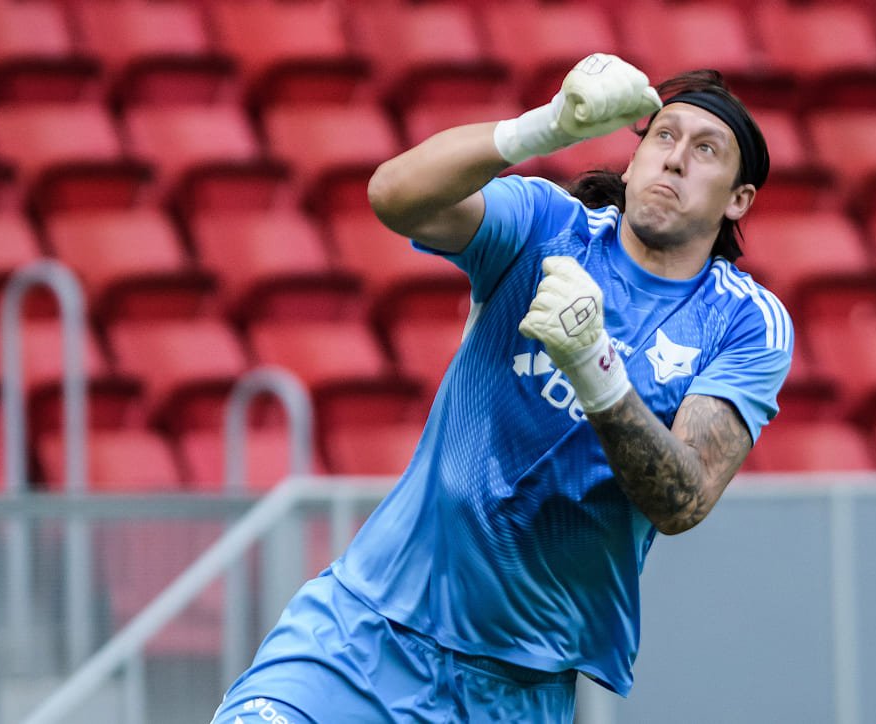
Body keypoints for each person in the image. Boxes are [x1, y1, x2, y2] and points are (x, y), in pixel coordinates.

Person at [211, 53, 792, 724]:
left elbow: (682, 499)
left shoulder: (746, 322)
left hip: (517, 690)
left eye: (706, 149)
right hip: (361, 634)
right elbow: (393, 196)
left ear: (739, 198)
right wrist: (539, 129)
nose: (676, 158)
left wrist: (595, 368)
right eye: (663, 136)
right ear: (632, 163)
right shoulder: (549, 225)